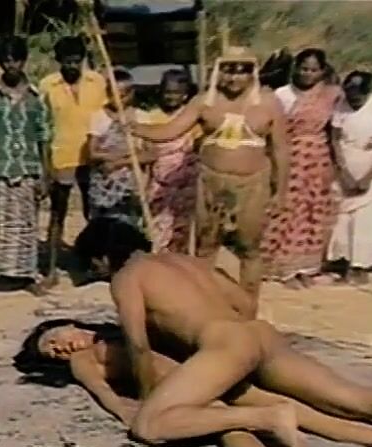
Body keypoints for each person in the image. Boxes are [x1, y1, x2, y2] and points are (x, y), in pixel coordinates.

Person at [76, 218, 372, 447]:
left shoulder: (127, 277)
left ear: (103, 257)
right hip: (259, 335)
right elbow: (244, 303)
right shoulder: (185, 261)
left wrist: (146, 394)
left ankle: (266, 416)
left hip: (226, 345)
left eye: (94, 265)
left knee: (149, 425)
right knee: (354, 399)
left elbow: (138, 343)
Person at [14, 318, 372, 447]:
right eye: (52, 352)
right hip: (188, 387)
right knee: (238, 425)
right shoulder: (84, 359)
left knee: (302, 413)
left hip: (204, 376)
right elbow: (103, 391)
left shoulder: (118, 330)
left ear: (71, 323)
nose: (61, 346)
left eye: (57, 336)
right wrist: (127, 413)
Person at [132, 46, 290, 313]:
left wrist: (280, 191)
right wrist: (137, 128)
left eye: (242, 71)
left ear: (252, 72)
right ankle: (206, 305)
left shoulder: (268, 103)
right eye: (229, 70)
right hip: (211, 184)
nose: (234, 77)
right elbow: (170, 130)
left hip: (252, 184)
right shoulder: (204, 102)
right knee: (206, 247)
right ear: (219, 71)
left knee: (249, 249)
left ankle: (247, 308)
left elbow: (281, 149)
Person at [0, 35, 51, 300]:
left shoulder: (37, 97)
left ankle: (28, 277)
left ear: (23, 60)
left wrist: (45, 175)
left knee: (27, 226)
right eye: (5, 60)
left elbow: (44, 137)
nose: (11, 65)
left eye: (16, 59)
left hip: (28, 169)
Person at [262, 49, 341, 289]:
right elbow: (272, 131)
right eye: (304, 68)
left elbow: (334, 130)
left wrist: (334, 163)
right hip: (290, 156)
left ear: (322, 71)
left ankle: (307, 267)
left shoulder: (330, 95)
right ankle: (285, 268)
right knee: (288, 211)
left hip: (318, 158)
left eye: (313, 70)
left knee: (313, 211)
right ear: (295, 68)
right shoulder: (281, 95)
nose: (308, 74)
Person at [39, 35, 107, 288]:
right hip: (62, 156)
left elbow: (105, 117)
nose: (72, 66)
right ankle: (51, 269)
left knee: (94, 213)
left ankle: (95, 264)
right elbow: (43, 125)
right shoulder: (47, 85)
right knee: (58, 213)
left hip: (92, 156)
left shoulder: (97, 82)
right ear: (59, 61)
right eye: (67, 61)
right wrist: (46, 165)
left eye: (76, 61)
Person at [327, 71, 372, 284]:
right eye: (351, 94)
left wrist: (370, 174)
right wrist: (344, 172)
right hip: (347, 159)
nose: (354, 99)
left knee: (368, 218)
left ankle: (361, 266)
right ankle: (345, 261)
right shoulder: (341, 105)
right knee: (344, 216)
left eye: (358, 95)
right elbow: (335, 139)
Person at [139, 68, 202, 253]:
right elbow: (147, 154)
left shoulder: (192, 118)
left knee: (183, 231)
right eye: (167, 92)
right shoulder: (152, 117)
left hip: (186, 186)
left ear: (185, 95)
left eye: (176, 93)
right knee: (157, 231)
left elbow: (197, 150)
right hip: (160, 185)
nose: (171, 97)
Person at [87, 68, 153, 228]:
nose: (117, 101)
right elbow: (92, 153)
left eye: (122, 96)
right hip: (104, 184)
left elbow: (150, 154)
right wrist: (112, 157)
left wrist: (120, 161)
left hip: (131, 184)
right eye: (112, 95)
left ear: (131, 94)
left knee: (127, 226)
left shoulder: (143, 118)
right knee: (103, 226)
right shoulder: (98, 116)